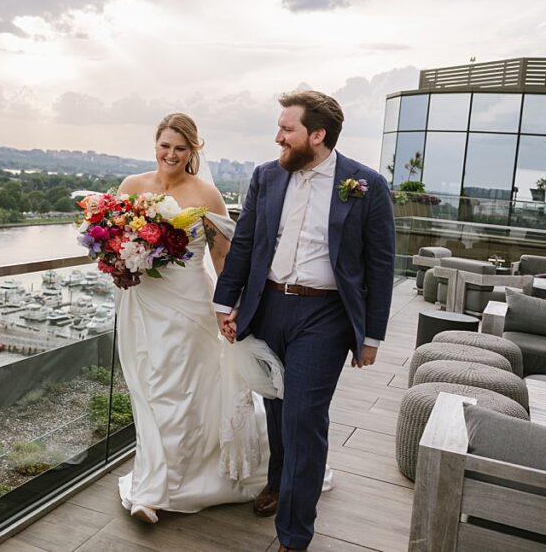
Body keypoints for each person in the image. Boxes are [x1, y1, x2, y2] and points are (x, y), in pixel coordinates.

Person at [214, 91, 396, 552]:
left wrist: (371, 335)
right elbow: (246, 243)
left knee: (304, 417)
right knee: (276, 409)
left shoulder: (366, 185)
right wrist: (226, 304)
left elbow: (380, 265)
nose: (278, 137)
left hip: (326, 315)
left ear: (317, 135)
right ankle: (277, 483)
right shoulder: (266, 176)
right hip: (268, 308)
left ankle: (294, 536)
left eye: (287, 129)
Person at [115, 113, 271, 524]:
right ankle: (155, 478)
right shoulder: (131, 187)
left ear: (193, 151)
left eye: (180, 148)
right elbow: (115, 239)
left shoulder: (207, 194)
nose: (171, 154)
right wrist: (117, 261)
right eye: (165, 145)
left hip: (188, 305)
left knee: (179, 391)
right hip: (141, 304)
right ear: (155, 144)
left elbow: (221, 256)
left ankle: (154, 492)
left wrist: (229, 308)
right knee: (147, 391)